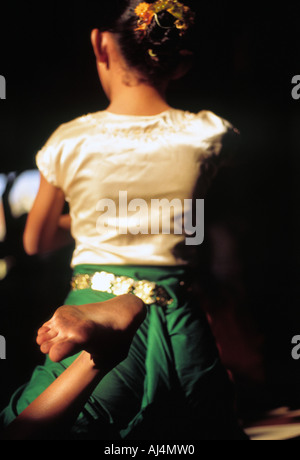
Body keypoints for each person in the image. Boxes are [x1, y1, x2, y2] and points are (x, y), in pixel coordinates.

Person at [0, 0, 246, 440]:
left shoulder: (68, 140)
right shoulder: (211, 134)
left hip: (93, 306)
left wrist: (92, 220)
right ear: (179, 63)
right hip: (181, 322)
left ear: (99, 44)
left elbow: (36, 242)